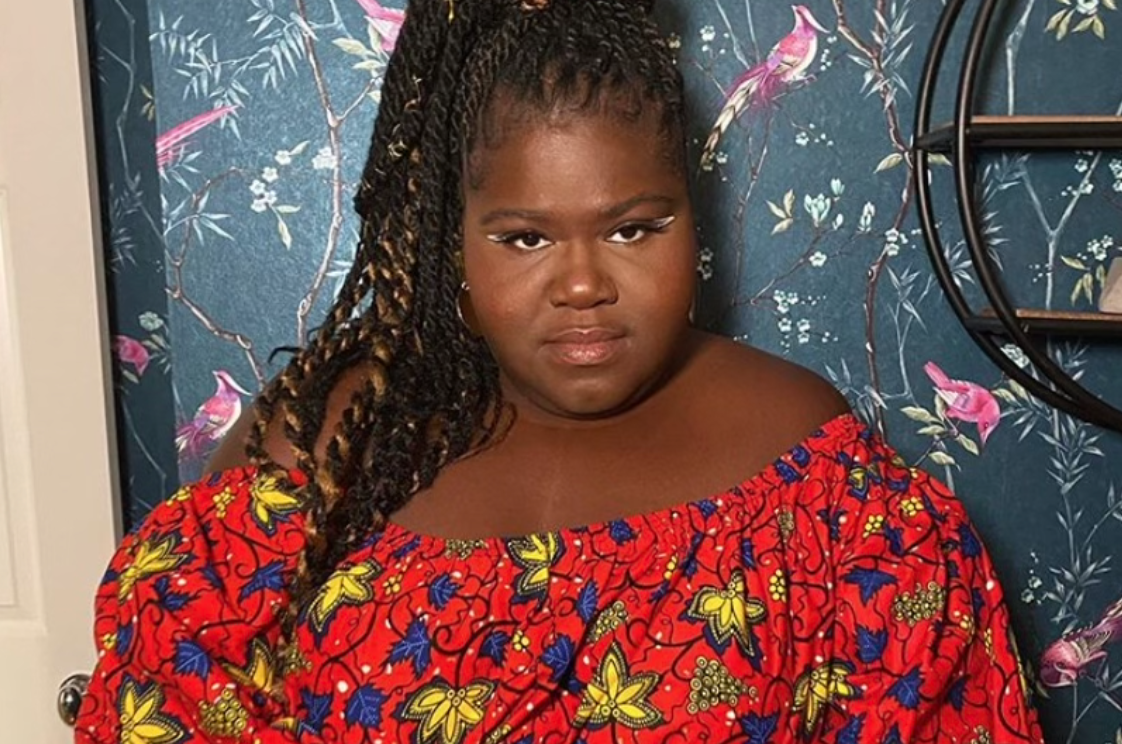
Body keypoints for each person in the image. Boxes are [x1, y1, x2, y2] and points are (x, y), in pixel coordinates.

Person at [74, 0, 1044, 741]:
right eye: (525, 238)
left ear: (692, 217)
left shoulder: (811, 474)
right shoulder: (323, 447)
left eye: (633, 228)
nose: (584, 284)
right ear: (453, 240)